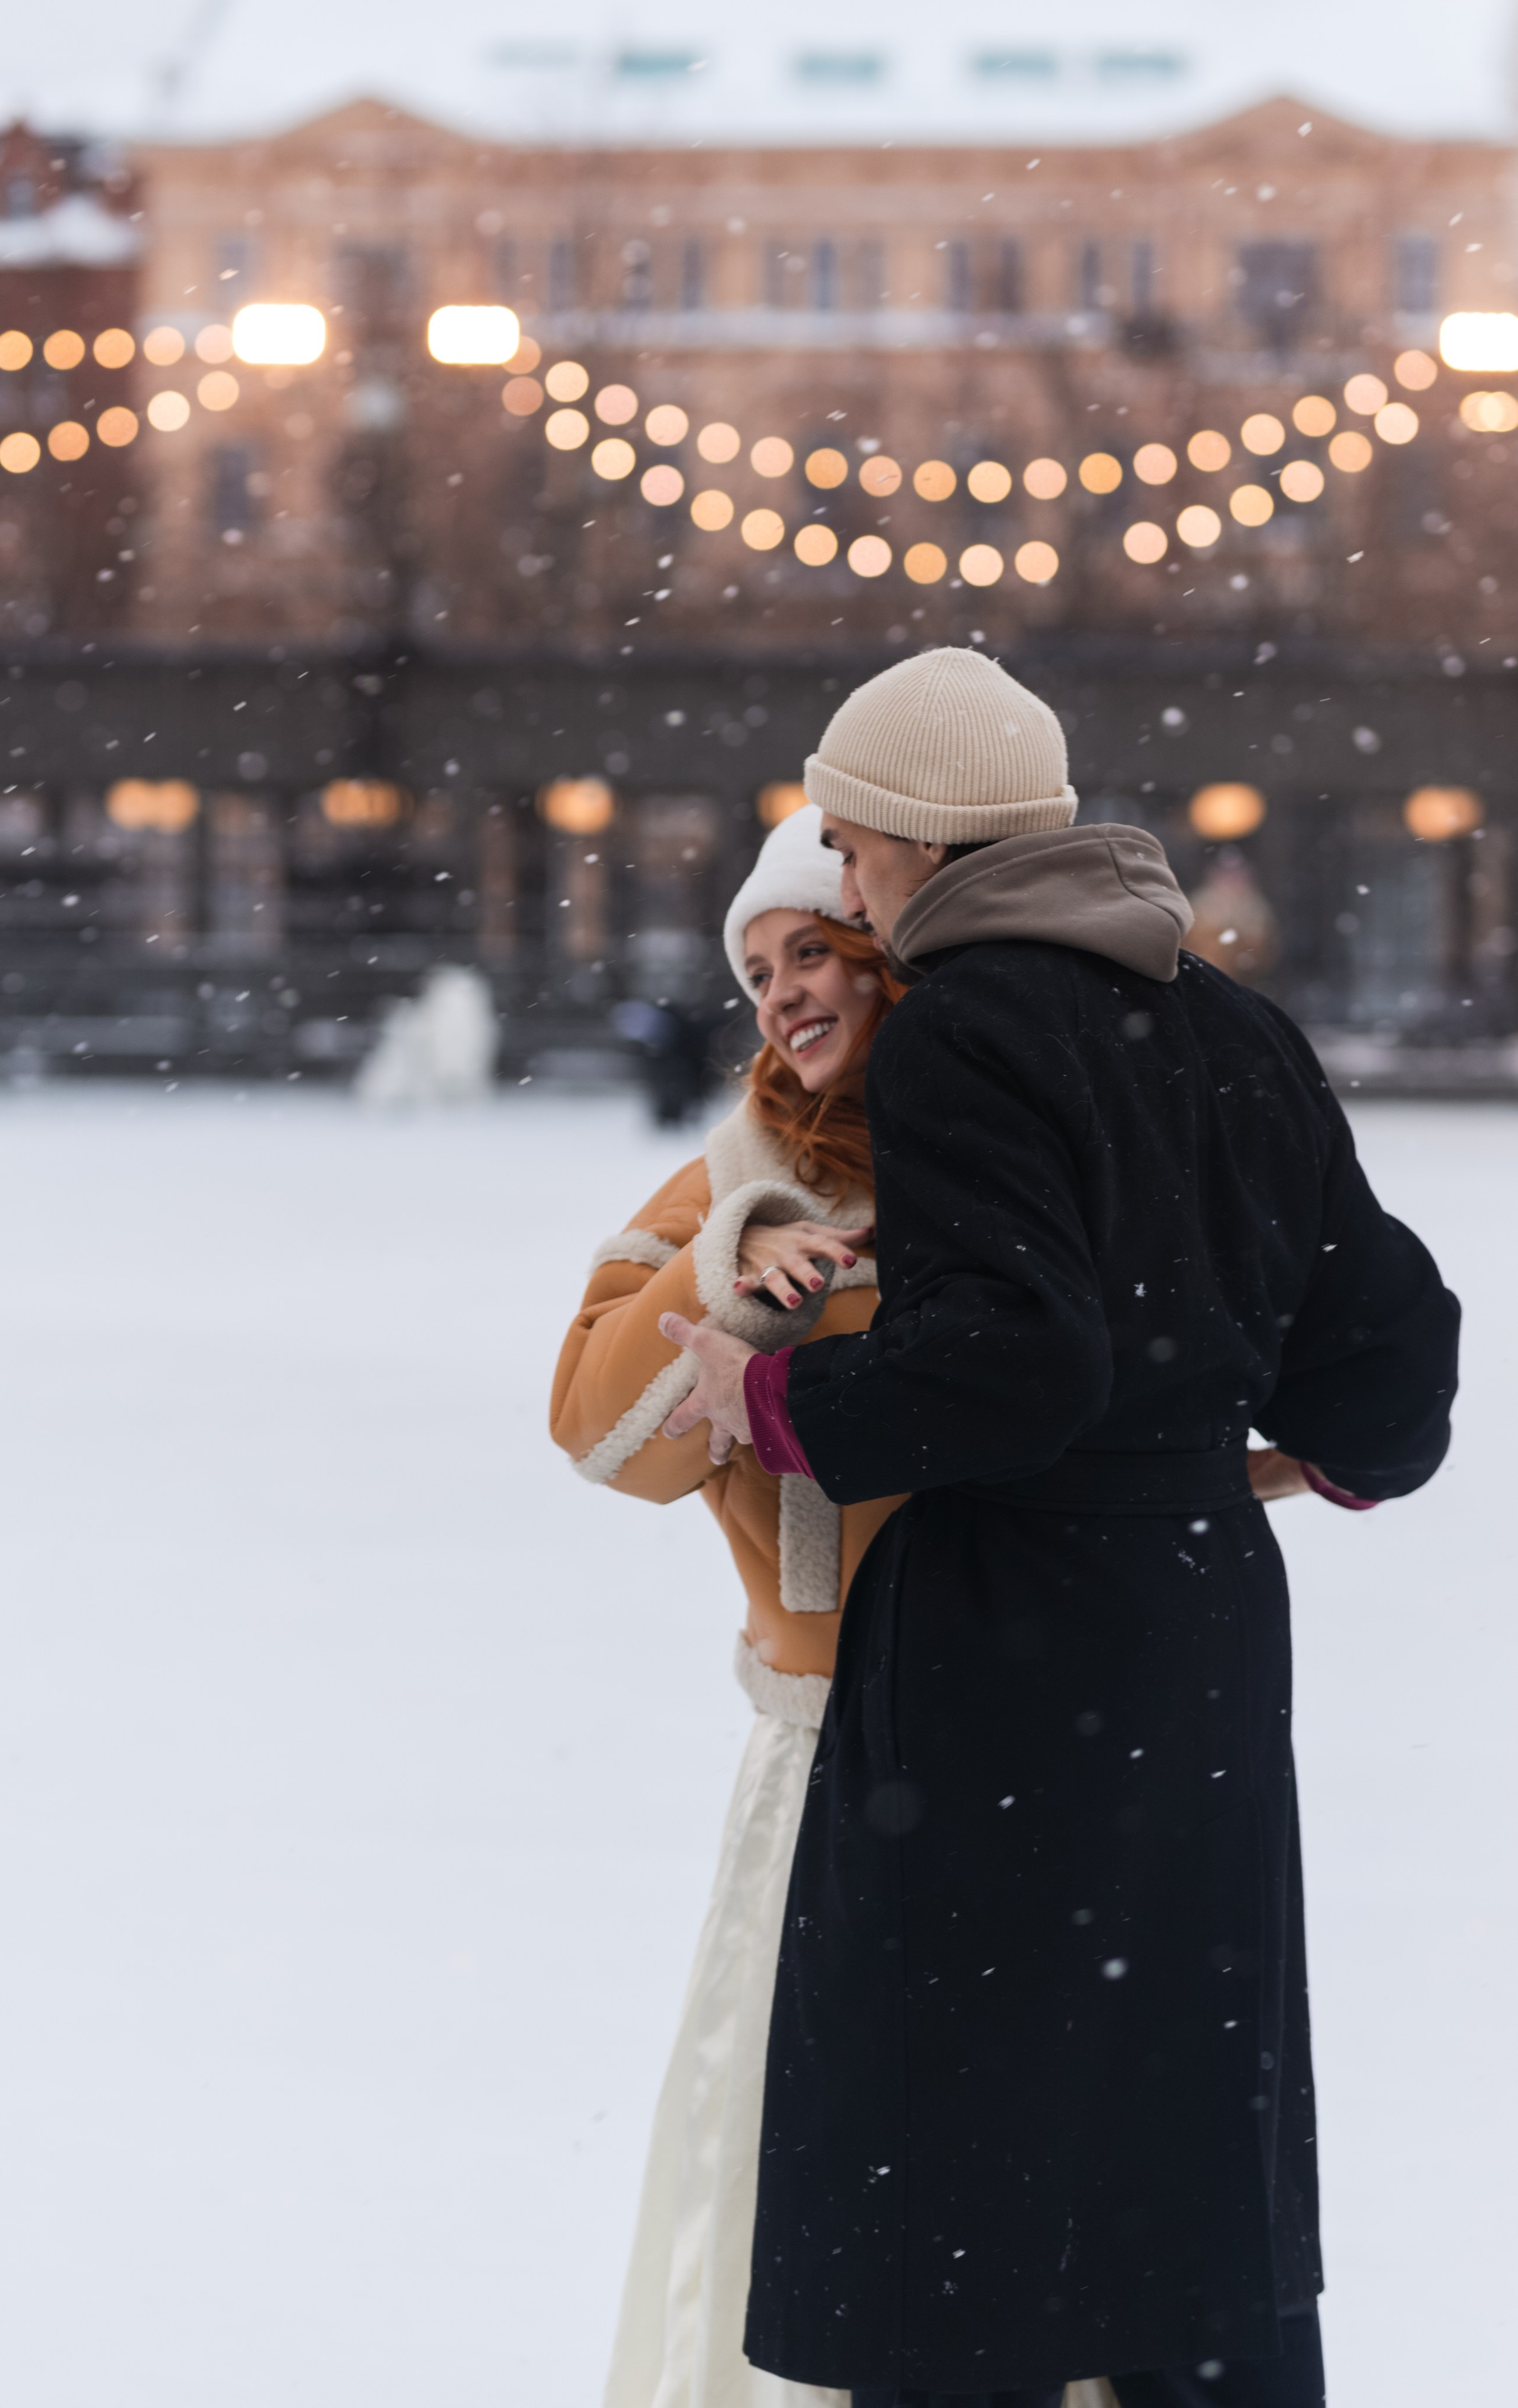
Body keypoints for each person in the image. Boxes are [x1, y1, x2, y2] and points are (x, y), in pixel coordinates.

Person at [660, 648, 1460, 2408]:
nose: (843, 878)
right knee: (1183, 2125)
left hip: (1004, 1644)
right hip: (1200, 1639)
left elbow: (1013, 1364)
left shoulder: (964, 1025)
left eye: (849, 844)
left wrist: (774, 1398)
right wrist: (1283, 1464)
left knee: (961, 2154)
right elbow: (1396, 1358)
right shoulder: (1228, 1023)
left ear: (914, 838)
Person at [552, 801, 903, 2408]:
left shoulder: (1018, 1157)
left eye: (809, 949)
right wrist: (735, 1268)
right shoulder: (729, 1180)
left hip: (1029, 1732)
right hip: (830, 1763)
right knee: (805, 2176)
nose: (779, 993)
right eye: (756, 970)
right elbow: (599, 1436)